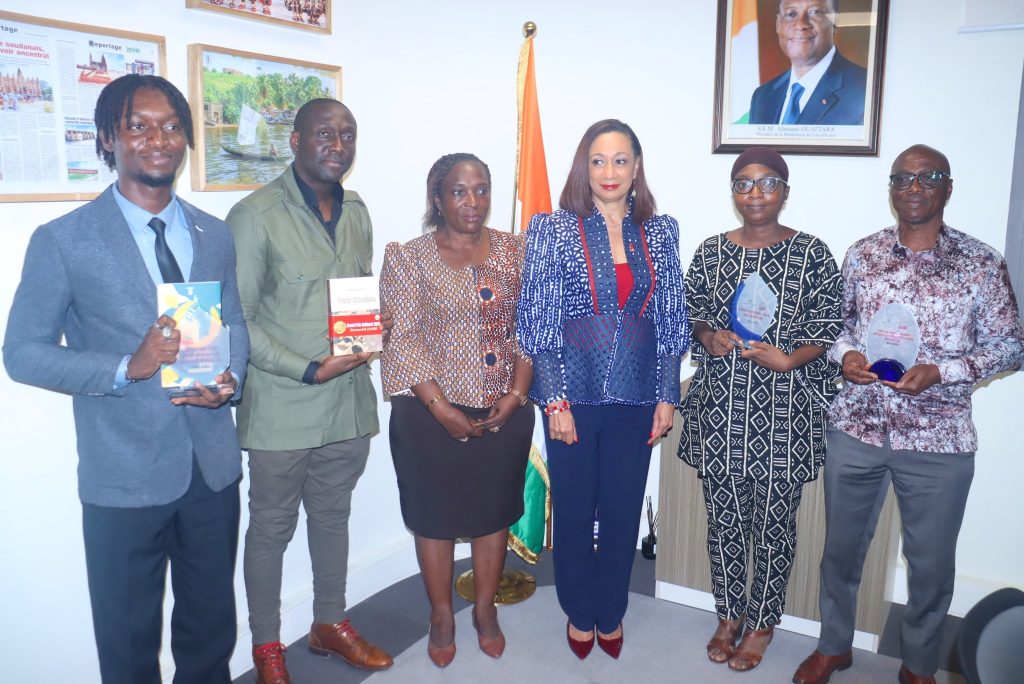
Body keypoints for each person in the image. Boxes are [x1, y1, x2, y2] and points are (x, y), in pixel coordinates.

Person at [3, 74, 249, 684]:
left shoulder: (212, 233)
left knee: (211, 627)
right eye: (138, 125)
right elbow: (22, 353)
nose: (157, 139)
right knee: (128, 642)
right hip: (123, 477)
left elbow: (236, 321)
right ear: (108, 139)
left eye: (170, 126)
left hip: (212, 466)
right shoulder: (63, 240)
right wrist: (125, 367)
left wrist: (230, 377)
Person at [793, 144, 1024, 684]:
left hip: (938, 440)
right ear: (891, 189)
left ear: (948, 187)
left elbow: (1011, 346)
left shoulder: (982, 263)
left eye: (928, 178)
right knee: (841, 553)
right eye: (903, 179)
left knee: (931, 566)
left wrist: (944, 371)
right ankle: (834, 647)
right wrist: (845, 355)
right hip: (856, 427)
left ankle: (919, 665)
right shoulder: (863, 255)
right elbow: (837, 327)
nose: (914, 188)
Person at [226, 98, 393, 683]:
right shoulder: (254, 215)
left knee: (333, 516)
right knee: (270, 529)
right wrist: (305, 368)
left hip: (348, 403)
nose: (338, 145)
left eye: (348, 134)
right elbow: (237, 320)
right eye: (325, 133)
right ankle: (268, 646)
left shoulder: (358, 212)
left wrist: (377, 329)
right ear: (293, 140)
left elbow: (358, 298)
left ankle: (328, 622)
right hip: (282, 404)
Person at [518, 119, 688, 660]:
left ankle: (610, 610)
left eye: (620, 160)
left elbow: (670, 320)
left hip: (638, 396)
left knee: (621, 507)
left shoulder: (659, 232)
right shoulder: (553, 229)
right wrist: (555, 400)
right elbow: (539, 320)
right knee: (573, 508)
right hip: (572, 393)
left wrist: (666, 395)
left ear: (637, 167)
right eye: (598, 160)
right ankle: (578, 608)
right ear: (582, 168)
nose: (609, 171)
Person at [678, 147, 843, 672]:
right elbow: (691, 314)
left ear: (784, 192)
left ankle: (763, 621)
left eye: (767, 183)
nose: (755, 194)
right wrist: (709, 334)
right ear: (733, 193)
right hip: (722, 408)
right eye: (744, 184)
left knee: (774, 524)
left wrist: (791, 357)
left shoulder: (812, 254)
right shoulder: (710, 252)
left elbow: (830, 324)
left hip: (782, 412)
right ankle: (728, 614)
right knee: (724, 520)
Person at [379, 153, 535, 668]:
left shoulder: (519, 250)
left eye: (482, 189)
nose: (473, 202)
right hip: (428, 413)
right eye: (460, 191)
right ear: (438, 198)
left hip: (504, 409)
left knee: (493, 516)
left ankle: (485, 610)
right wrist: (442, 407)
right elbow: (403, 337)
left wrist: (514, 397)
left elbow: (532, 332)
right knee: (435, 519)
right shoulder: (408, 257)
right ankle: (442, 615)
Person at [749, 0, 867, 126]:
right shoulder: (762, 97)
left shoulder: (866, 92)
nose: (800, 24)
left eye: (815, 12)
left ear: (834, 22)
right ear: (778, 24)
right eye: (790, 14)